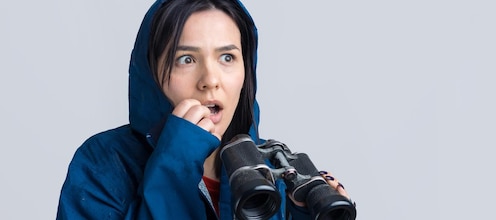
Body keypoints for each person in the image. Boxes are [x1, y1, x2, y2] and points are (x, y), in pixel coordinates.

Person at [56, 0, 353, 219]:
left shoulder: (272, 170)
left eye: (227, 57)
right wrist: (174, 166)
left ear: (245, 72)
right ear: (151, 73)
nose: (210, 80)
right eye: (186, 59)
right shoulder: (103, 164)